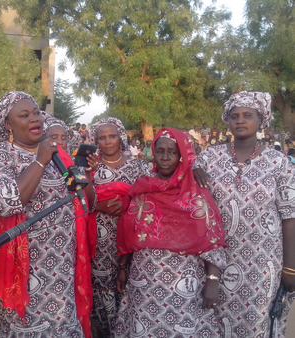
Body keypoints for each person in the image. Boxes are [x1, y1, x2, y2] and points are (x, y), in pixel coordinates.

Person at [0, 91, 92, 338]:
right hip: (28, 269)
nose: (35, 119)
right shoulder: (0, 155)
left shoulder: (58, 155)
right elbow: (5, 203)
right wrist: (40, 160)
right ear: (8, 124)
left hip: (64, 265)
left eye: (36, 112)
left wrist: (83, 168)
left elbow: (84, 203)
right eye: (24, 115)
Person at [194, 91, 295, 337]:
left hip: (263, 262)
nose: (240, 120)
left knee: (257, 324)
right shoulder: (208, 158)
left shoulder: (279, 162)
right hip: (215, 261)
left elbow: (290, 215)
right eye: (234, 116)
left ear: (262, 120)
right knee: (212, 321)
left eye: (248, 115)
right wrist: (193, 170)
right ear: (227, 121)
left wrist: (291, 267)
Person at [115, 127, 227, 337]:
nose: (165, 158)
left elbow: (211, 238)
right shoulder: (143, 188)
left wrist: (213, 280)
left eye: (172, 152)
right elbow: (129, 231)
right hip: (144, 282)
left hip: (184, 284)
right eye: (160, 151)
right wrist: (123, 267)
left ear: (182, 156)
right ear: (153, 153)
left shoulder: (195, 193)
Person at [85, 118, 150, 337]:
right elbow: (77, 199)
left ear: (120, 136)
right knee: (102, 286)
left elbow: (150, 198)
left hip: (130, 238)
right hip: (100, 242)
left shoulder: (137, 165)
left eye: (112, 136)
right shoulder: (90, 166)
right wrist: (99, 204)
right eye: (102, 138)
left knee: (128, 284)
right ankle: (104, 330)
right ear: (96, 141)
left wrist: (126, 205)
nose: (107, 141)